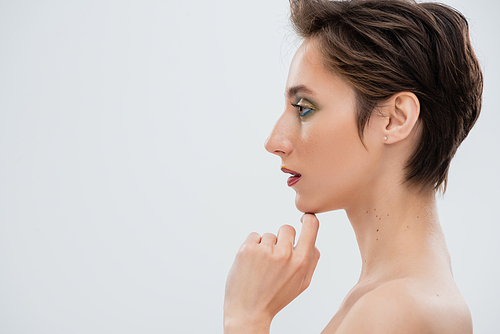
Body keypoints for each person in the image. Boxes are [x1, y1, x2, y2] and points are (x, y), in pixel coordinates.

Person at [223, 0, 483, 333]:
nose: (275, 141)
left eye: (303, 109)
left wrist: (246, 318)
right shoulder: (395, 296)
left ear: (394, 119)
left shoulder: (394, 310)